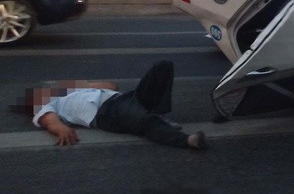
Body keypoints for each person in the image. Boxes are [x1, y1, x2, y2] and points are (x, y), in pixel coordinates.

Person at [30, 60, 206, 149]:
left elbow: (112, 86)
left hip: (125, 98)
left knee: (163, 66)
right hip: (107, 113)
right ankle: (186, 141)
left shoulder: (73, 90)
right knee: (143, 121)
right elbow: (49, 120)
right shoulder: (48, 104)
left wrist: (83, 85)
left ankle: (158, 113)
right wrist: (61, 129)